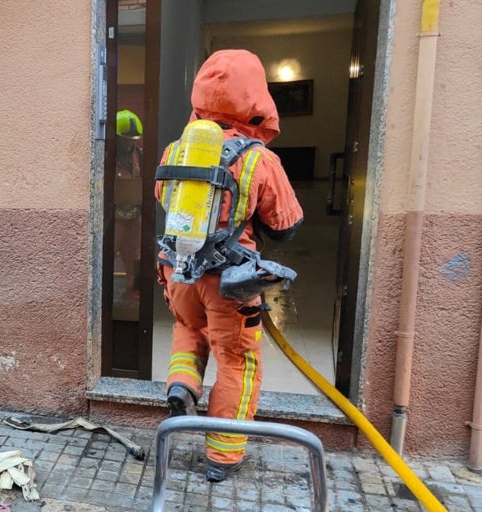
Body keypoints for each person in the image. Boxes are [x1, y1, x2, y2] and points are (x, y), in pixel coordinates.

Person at [154, 49, 303, 483]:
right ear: (258, 100)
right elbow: (285, 225)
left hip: (177, 271)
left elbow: (165, 199)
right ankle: (223, 454)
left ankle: (182, 387)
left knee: (188, 329)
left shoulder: (177, 148)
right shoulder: (259, 159)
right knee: (237, 360)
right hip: (230, 282)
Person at [113, 109, 144, 309]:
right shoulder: (107, 157)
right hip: (114, 218)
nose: (129, 143)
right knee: (108, 257)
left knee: (135, 259)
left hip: (135, 215)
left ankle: (134, 296)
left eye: (132, 139)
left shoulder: (138, 155)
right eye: (125, 139)